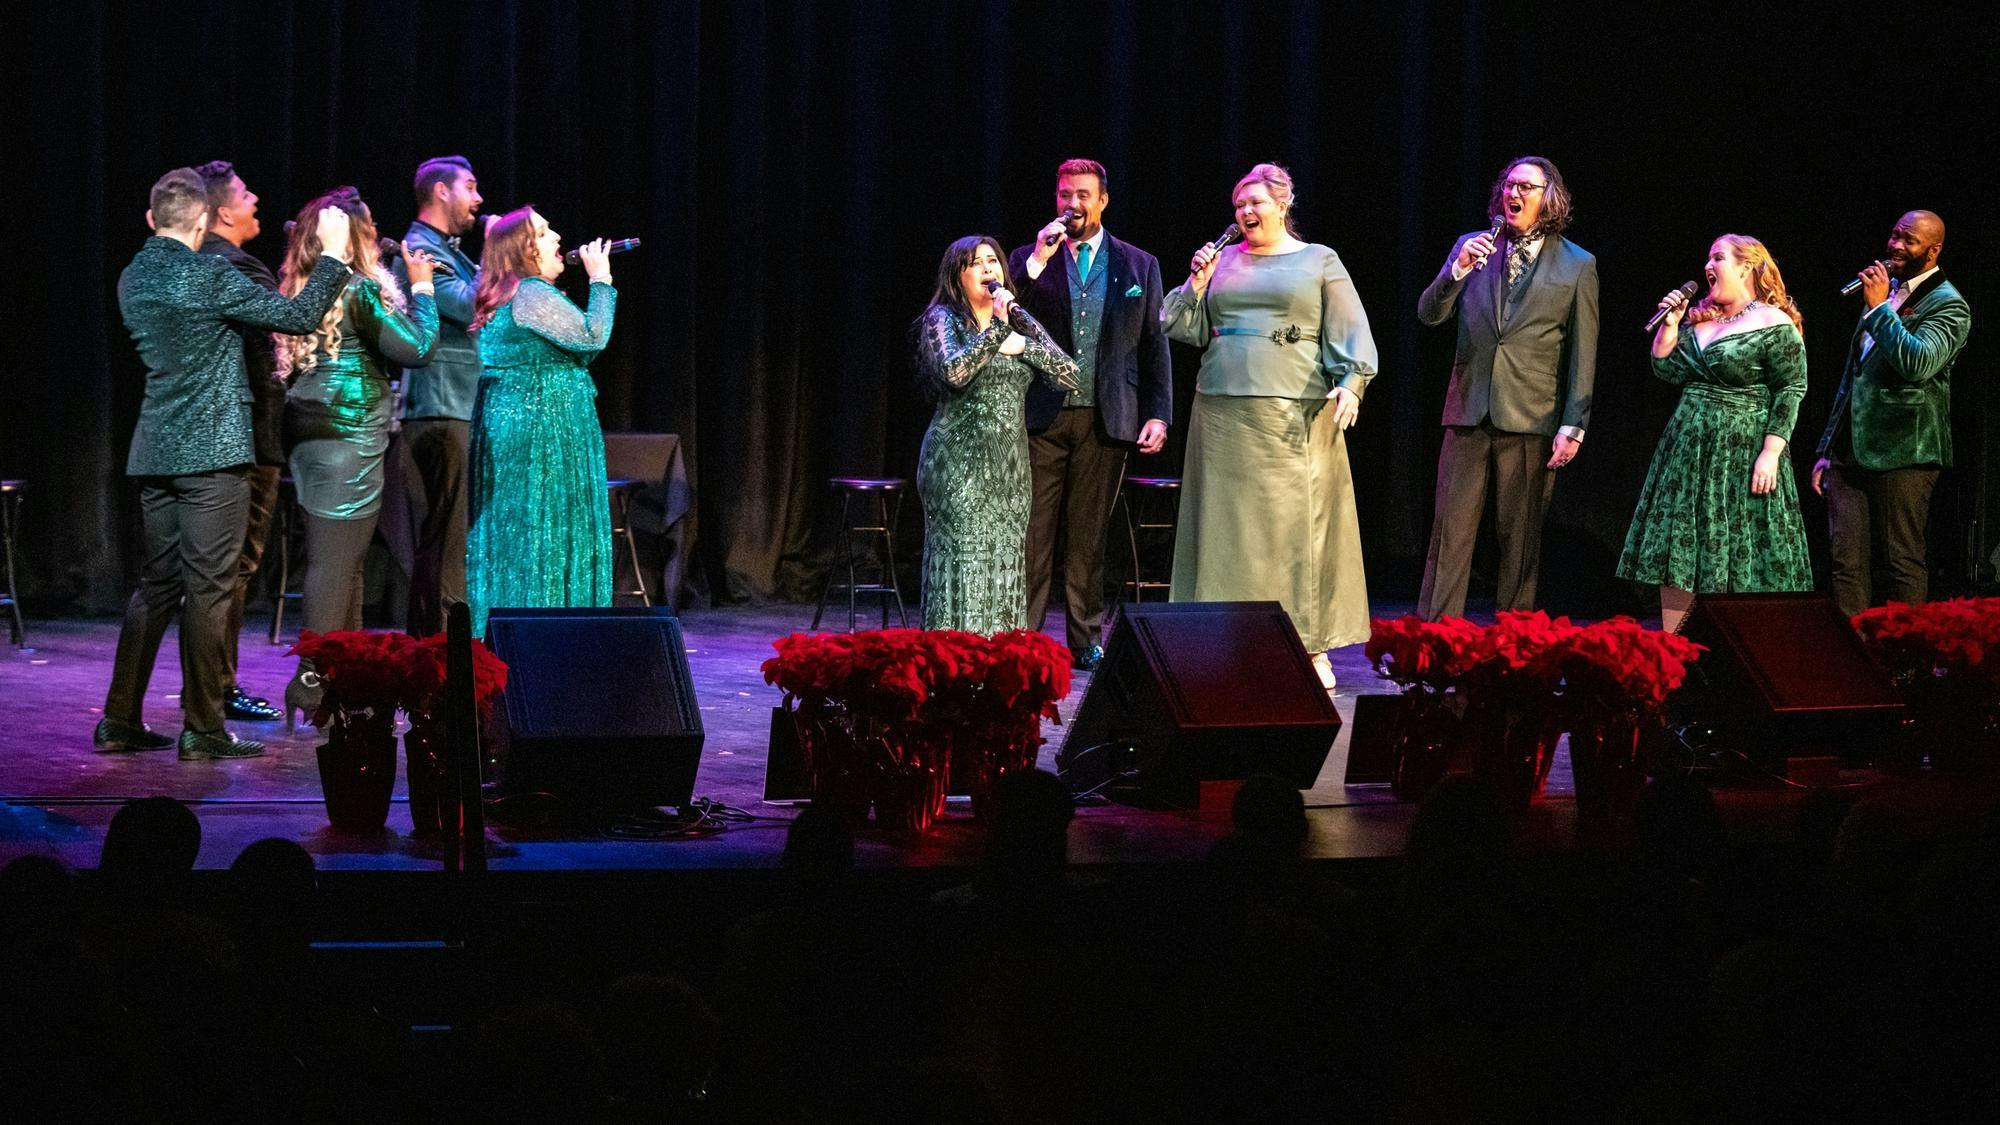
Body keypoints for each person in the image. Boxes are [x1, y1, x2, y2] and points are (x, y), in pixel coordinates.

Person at [97, 169, 351, 760]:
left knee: (156, 588)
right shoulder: (209, 273)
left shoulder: (134, 277)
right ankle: (204, 728)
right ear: (204, 221)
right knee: (209, 591)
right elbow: (298, 317)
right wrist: (334, 256)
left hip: (156, 448)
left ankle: (118, 719)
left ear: (152, 219)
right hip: (213, 452)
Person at [1161, 163, 1378, 689]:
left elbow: (1353, 332)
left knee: (1294, 532)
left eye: (1256, 202)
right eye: (1239, 205)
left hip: (1294, 408)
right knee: (1222, 531)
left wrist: (1351, 384)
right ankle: (1213, 641)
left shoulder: (1319, 260)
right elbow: (1180, 327)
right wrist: (1197, 281)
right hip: (1221, 409)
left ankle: (1308, 645)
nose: (1245, 213)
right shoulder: (1223, 260)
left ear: (1284, 205)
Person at [276, 187, 439, 722]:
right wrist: (423, 289)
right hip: (348, 437)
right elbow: (418, 349)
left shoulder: (308, 285)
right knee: (335, 564)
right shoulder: (357, 290)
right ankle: (312, 683)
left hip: (313, 434)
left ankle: (339, 678)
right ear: (358, 238)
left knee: (343, 566)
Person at [1414, 155, 1599, 621]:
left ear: (1548, 197)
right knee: (1449, 533)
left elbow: (1584, 350)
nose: (1513, 194)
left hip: (1532, 413)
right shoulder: (1473, 247)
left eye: (1526, 188)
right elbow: (1429, 315)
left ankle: (1514, 638)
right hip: (1469, 406)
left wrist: (1573, 424)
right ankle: (1434, 638)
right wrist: (1455, 271)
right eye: (1509, 186)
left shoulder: (1578, 264)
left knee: (1519, 538)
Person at [1008, 158, 1173, 670]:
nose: (1071, 204)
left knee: (1088, 538)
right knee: (1033, 532)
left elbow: (1154, 345)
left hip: (1109, 416)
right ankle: (1026, 636)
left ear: (1102, 200)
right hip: (1042, 414)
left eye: (1082, 194)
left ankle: (1084, 639)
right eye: (1063, 195)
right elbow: (999, 312)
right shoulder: (1028, 258)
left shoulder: (1138, 265)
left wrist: (1158, 414)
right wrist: (1036, 260)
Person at [1617, 235, 1812, 633]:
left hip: (1739, 451)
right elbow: (1668, 371)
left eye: (1719, 257)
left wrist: (1772, 450)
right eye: (1707, 257)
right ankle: (1675, 650)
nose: (1709, 265)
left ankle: (1741, 647)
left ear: (1746, 266)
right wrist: (1669, 326)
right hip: (1688, 448)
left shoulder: (1772, 323)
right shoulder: (1703, 322)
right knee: (1680, 546)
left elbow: (1792, 388)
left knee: (1739, 541)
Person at [912, 236, 1080, 634]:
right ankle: (952, 668)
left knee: (1004, 570)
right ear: (957, 276)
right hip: (957, 466)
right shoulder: (943, 320)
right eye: (976, 263)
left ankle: (998, 674)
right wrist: (995, 336)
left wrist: (1024, 345)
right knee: (963, 567)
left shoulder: (1019, 319)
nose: (989, 268)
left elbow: (1069, 375)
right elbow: (954, 372)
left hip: (1009, 469)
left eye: (994, 261)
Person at [1812, 211, 1973, 617]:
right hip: (1852, 450)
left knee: (1901, 561)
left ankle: (1904, 662)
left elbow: (1918, 364)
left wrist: (1881, 309)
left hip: (1907, 448)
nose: (1896, 246)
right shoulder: (1887, 292)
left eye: (1910, 240)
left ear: (1933, 250)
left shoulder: (1949, 304)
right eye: (1895, 235)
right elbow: (1854, 378)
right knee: (1845, 562)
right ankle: (1853, 660)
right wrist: (1828, 447)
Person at [465, 208, 616, 635]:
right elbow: (591, 337)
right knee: (542, 536)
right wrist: (601, 279)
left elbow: (576, 347)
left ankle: (518, 637)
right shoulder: (530, 293)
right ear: (523, 249)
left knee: (523, 538)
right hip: (542, 433)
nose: (558, 238)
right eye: (545, 232)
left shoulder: (513, 295)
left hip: (523, 425)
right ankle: (549, 640)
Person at [192, 160, 287, 722]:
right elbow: (276, 341)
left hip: (215, 436)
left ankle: (208, 688)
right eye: (247, 194)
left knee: (212, 571)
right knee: (235, 568)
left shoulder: (194, 264)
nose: (256, 201)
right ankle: (217, 689)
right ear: (223, 211)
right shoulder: (238, 267)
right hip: (248, 440)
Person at [394, 155, 486, 636]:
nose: (479, 199)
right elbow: (469, 305)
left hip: (454, 406)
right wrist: (502, 252)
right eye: (470, 187)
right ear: (441, 192)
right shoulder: (418, 249)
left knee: (446, 534)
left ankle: (432, 645)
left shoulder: (448, 251)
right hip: (441, 407)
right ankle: (449, 649)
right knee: (449, 537)